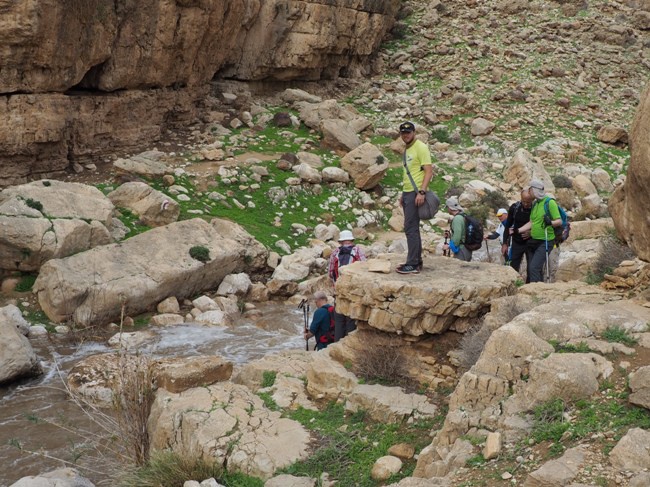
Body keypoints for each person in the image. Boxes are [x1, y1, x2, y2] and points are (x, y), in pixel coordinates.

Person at [396, 121, 433, 275]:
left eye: (408, 132)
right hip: (408, 192)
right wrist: (403, 194)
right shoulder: (407, 149)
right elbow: (409, 173)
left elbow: (429, 171)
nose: (406, 135)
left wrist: (422, 192)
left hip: (416, 192)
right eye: (403, 133)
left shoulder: (421, 147)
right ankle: (416, 261)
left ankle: (412, 264)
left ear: (414, 132)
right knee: (412, 228)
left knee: (410, 228)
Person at [517, 180, 562, 283]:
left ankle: (535, 290)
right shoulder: (535, 203)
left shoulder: (549, 202)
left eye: (530, 189)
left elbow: (559, 221)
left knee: (534, 268)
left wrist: (550, 222)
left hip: (546, 241)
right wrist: (517, 230)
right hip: (534, 241)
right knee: (535, 269)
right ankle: (539, 288)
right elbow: (532, 222)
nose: (528, 192)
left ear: (534, 190)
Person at [328, 229, 366, 341]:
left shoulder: (335, 253)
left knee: (339, 320)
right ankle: (349, 345)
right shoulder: (358, 251)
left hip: (338, 292)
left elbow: (330, 273)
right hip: (353, 293)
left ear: (340, 241)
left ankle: (336, 345)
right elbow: (364, 269)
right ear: (351, 240)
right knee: (351, 320)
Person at [503, 189, 533, 282]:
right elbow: (508, 226)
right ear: (521, 198)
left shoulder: (535, 208)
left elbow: (539, 224)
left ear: (532, 200)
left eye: (528, 202)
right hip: (517, 242)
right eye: (523, 201)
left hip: (531, 242)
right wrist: (505, 243)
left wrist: (531, 232)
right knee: (514, 266)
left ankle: (529, 287)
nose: (526, 204)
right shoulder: (514, 208)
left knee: (531, 268)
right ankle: (514, 285)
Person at [442, 197, 472, 262]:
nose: (447, 209)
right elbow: (462, 233)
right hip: (467, 248)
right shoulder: (463, 215)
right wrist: (450, 235)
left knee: (460, 270)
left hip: (461, 250)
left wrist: (448, 246)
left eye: (447, 207)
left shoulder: (457, 219)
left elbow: (457, 237)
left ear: (450, 208)